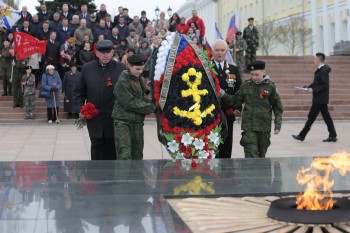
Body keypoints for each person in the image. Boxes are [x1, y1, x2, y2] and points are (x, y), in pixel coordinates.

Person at [74, 40, 126, 160]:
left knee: (113, 151)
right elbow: (79, 93)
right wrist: (80, 109)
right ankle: (96, 177)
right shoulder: (87, 69)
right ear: (96, 53)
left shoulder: (122, 69)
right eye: (102, 52)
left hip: (115, 118)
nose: (105, 55)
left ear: (113, 52)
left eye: (108, 52)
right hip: (95, 119)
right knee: (96, 149)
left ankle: (113, 178)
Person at [221, 60, 284, 158]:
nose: (254, 77)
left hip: (264, 127)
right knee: (251, 155)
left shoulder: (270, 86)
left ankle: (260, 173)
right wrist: (223, 94)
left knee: (261, 156)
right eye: (252, 75)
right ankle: (250, 173)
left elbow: (278, 107)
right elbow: (235, 101)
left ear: (263, 72)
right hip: (248, 127)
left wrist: (278, 125)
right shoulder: (246, 86)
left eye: (257, 75)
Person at [112, 54, 156, 160]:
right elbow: (129, 102)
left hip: (137, 122)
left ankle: (136, 177)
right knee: (125, 155)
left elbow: (142, 99)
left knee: (137, 155)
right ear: (129, 66)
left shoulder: (138, 79)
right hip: (123, 122)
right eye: (137, 69)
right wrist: (152, 107)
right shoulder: (123, 80)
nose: (140, 72)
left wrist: (154, 102)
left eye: (142, 69)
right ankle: (123, 177)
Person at [292, 53, 337, 142]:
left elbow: (324, 85)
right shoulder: (320, 70)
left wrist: (314, 90)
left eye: (314, 58)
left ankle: (302, 135)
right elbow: (317, 83)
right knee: (326, 117)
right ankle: (333, 135)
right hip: (320, 98)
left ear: (318, 60)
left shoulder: (323, 71)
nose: (313, 60)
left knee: (311, 117)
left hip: (320, 99)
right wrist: (308, 87)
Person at [212, 39, 242, 158]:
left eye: (222, 50)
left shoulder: (233, 68)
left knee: (227, 141)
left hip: (228, 112)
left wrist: (238, 107)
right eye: (217, 50)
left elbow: (239, 90)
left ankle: (226, 170)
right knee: (212, 142)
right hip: (211, 113)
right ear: (212, 51)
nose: (220, 53)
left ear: (226, 51)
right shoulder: (206, 68)